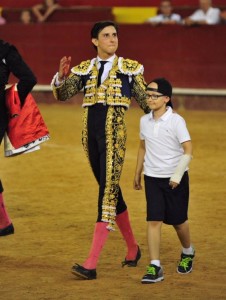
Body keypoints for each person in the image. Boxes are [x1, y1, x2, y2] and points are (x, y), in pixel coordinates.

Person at [51, 20, 150, 280]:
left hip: (114, 137)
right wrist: (62, 77)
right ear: (95, 41)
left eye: (114, 35)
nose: (112, 39)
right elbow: (63, 94)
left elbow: (147, 103)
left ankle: (91, 263)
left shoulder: (130, 69)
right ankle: (133, 249)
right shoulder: (85, 69)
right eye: (106, 36)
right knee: (110, 190)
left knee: (106, 193)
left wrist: (166, 113)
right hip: (90, 138)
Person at [133, 78, 195, 284]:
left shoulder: (176, 121)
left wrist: (177, 175)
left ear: (167, 99)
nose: (149, 98)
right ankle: (155, 265)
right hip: (152, 177)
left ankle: (187, 252)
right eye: (147, 94)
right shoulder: (144, 120)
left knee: (178, 222)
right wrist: (138, 171)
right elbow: (143, 146)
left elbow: (188, 150)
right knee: (154, 220)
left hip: (174, 179)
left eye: (154, 95)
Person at [0, 40, 37, 236]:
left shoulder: (5, 51)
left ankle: (3, 221)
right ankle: (3, 222)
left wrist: (10, 103)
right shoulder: (5, 50)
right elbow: (28, 79)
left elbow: (29, 79)